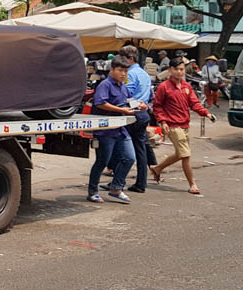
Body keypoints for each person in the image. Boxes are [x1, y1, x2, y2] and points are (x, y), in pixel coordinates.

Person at [150, 57, 216, 195]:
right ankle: (192, 184)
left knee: (181, 153)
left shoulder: (187, 86)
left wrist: (206, 113)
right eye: (176, 69)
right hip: (172, 126)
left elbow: (195, 103)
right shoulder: (164, 87)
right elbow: (157, 107)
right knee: (185, 155)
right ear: (170, 70)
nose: (180, 72)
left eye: (182, 69)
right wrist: (162, 121)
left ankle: (157, 168)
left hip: (185, 124)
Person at [87, 56, 137, 204]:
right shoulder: (105, 85)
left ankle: (116, 187)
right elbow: (100, 103)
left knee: (129, 157)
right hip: (105, 131)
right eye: (120, 70)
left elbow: (130, 101)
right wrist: (122, 110)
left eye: (126, 71)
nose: (123, 74)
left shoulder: (122, 86)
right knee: (103, 161)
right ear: (113, 70)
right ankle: (92, 192)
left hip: (120, 129)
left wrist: (139, 105)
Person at [115, 45, 154, 193]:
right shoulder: (144, 73)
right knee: (140, 149)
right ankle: (141, 182)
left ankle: (117, 182)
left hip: (132, 114)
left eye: (123, 59)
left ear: (130, 59)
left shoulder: (130, 74)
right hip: (143, 114)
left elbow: (126, 94)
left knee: (122, 148)